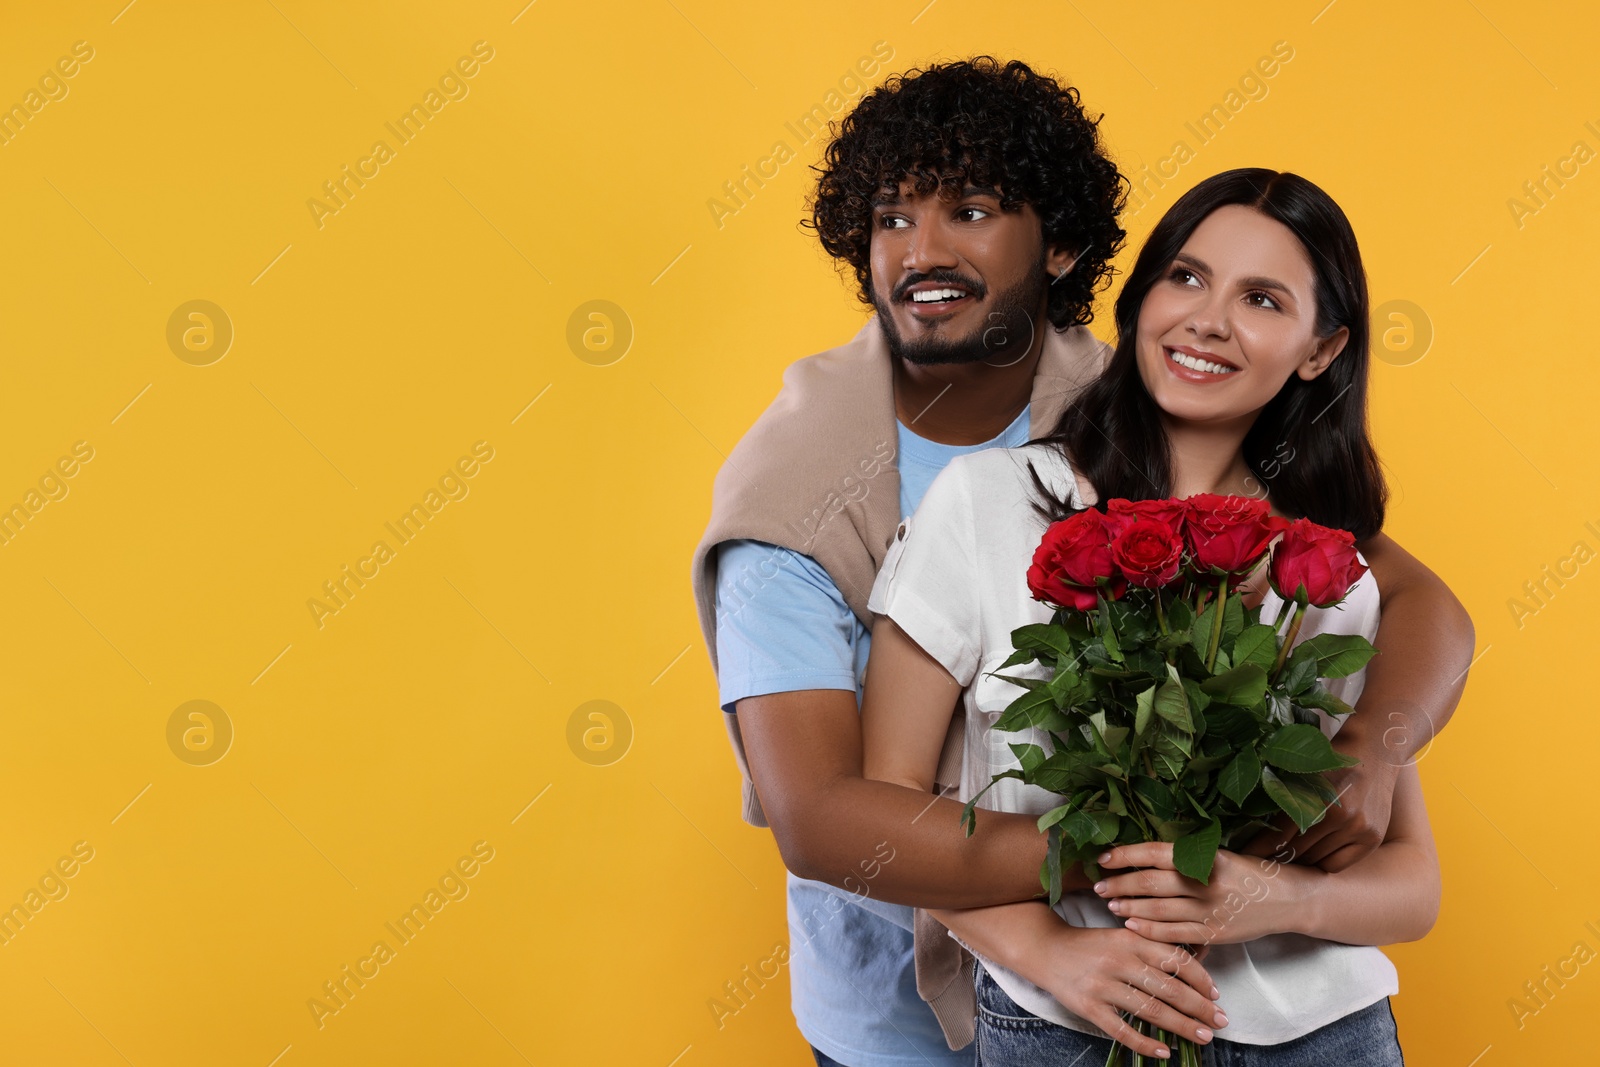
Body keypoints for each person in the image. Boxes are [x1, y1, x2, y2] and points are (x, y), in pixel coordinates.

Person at [689, 57, 1473, 1066]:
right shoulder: (814, 495)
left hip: (1314, 1023)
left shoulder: (1261, 504)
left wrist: (1370, 754)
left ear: (1062, 250)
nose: (921, 248)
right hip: (935, 1001)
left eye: (970, 208)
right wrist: (1100, 897)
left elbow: (1414, 614)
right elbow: (834, 815)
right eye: (893, 216)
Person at [860, 168, 1448, 1064]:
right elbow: (889, 816)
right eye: (1186, 275)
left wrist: (1277, 899)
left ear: (1320, 347)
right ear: (1139, 300)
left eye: (1261, 297)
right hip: (1067, 1022)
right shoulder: (991, 503)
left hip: (1326, 1034)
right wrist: (1047, 950)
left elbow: (1413, 884)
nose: (1208, 319)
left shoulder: (1330, 568)